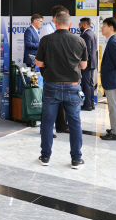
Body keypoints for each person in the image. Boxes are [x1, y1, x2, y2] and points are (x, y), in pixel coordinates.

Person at [36, 12, 88, 169]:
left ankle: (45, 157)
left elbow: (38, 63)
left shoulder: (46, 40)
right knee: (75, 123)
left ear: (55, 23)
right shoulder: (79, 40)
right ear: (70, 24)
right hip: (73, 86)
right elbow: (84, 66)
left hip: (51, 85)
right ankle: (76, 159)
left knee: (47, 122)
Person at [39, 6, 71, 135]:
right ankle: (46, 128)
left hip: (63, 71)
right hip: (51, 70)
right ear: (56, 17)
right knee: (49, 102)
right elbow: (44, 52)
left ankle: (61, 125)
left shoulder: (63, 29)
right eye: (63, 16)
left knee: (62, 101)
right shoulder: (47, 29)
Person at [79, 18, 98, 111]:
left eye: (80, 24)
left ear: (85, 25)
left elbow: (87, 50)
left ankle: (87, 105)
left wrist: (84, 61)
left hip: (88, 63)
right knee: (90, 83)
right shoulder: (92, 33)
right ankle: (91, 103)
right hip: (92, 62)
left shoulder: (86, 34)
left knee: (86, 84)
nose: (79, 26)